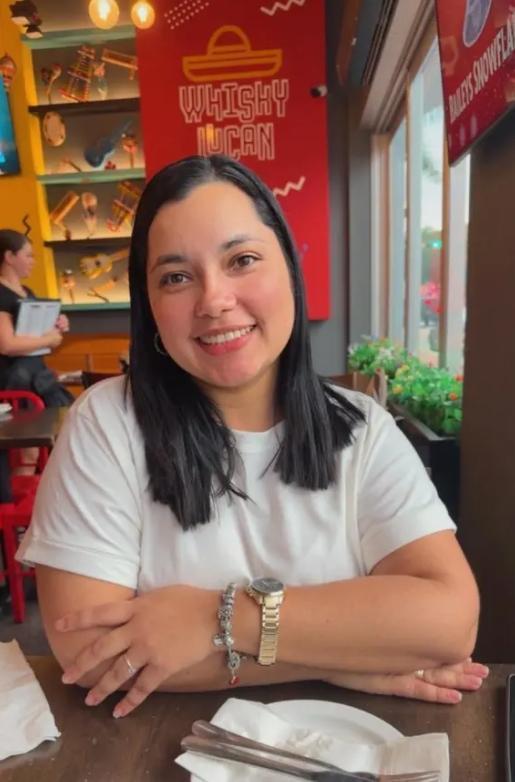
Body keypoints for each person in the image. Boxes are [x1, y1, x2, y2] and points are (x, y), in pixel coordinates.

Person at [18, 155, 485, 721]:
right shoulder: (106, 424)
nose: (214, 301)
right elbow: (90, 655)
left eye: (242, 260)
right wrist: (343, 660)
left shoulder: (362, 428)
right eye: (176, 277)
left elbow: (450, 621)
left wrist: (214, 620)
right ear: (151, 308)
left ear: (289, 269)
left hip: (344, 745)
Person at [0, 229, 73, 407]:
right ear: (9, 257)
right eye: (28, 255)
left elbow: (44, 340)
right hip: (15, 384)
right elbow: (7, 345)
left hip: (36, 377)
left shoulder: (28, 292)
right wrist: (48, 339)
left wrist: (57, 326)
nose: (33, 261)